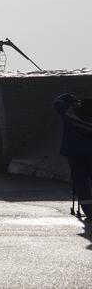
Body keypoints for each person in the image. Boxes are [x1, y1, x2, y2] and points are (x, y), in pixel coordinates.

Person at [55, 93, 92, 221]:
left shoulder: (70, 114)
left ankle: (88, 210)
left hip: (74, 154)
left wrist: (70, 98)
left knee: (80, 181)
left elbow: (57, 102)